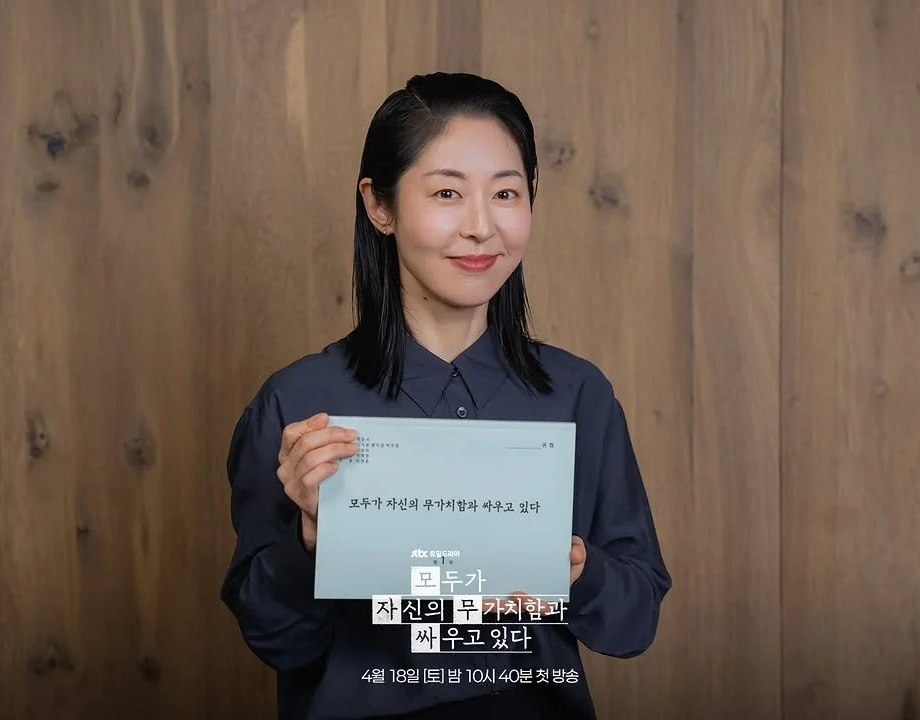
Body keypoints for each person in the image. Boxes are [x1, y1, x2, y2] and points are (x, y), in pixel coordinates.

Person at [220, 72, 671, 720]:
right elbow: (275, 639)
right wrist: (311, 539)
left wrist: (576, 571)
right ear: (380, 206)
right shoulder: (300, 406)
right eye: (447, 193)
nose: (481, 227)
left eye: (506, 193)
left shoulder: (578, 396)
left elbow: (634, 621)